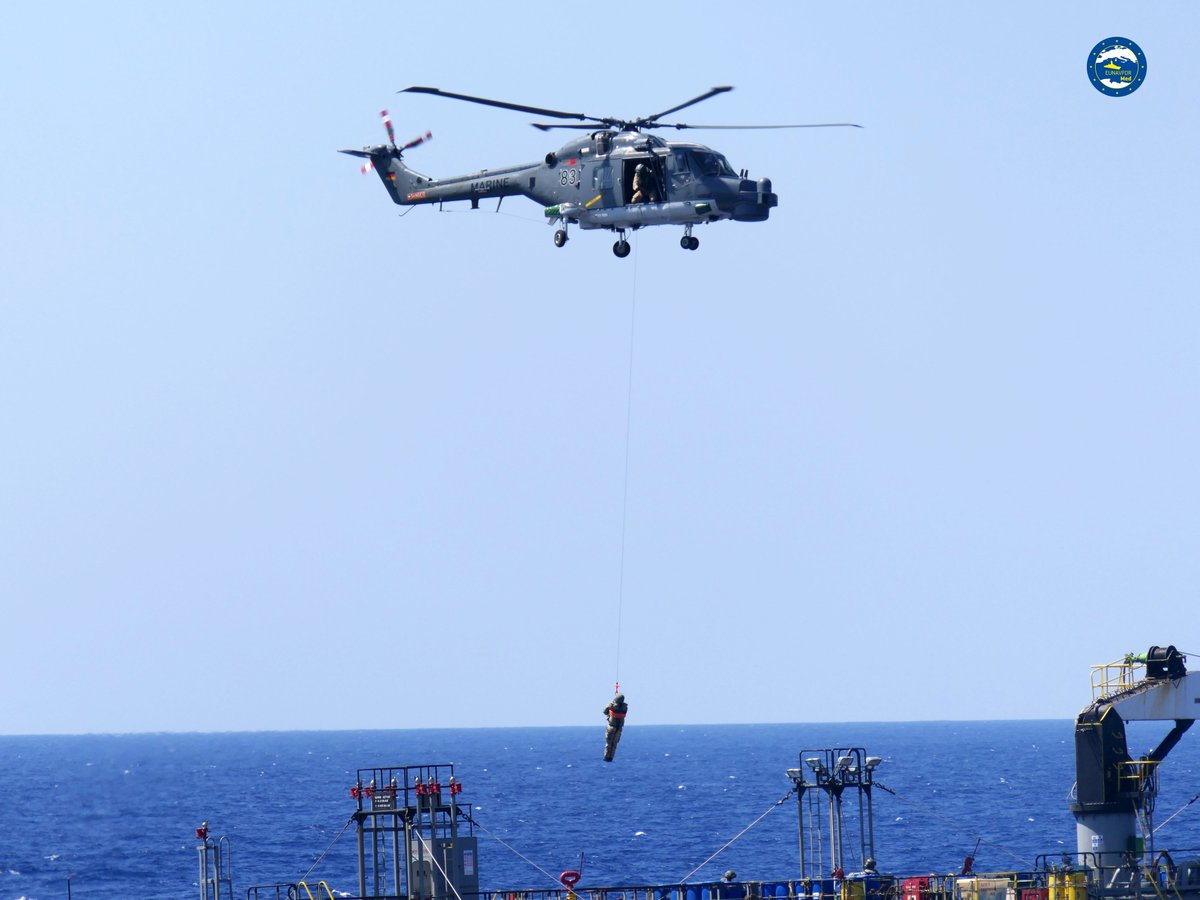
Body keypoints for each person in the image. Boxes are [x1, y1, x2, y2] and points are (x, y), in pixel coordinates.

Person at [602, 693, 628, 761]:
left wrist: (610, 704)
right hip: (619, 728)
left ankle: (606, 758)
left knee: (609, 743)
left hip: (611, 727)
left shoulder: (612, 706)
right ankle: (611, 758)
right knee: (614, 744)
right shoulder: (624, 707)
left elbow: (604, 712)